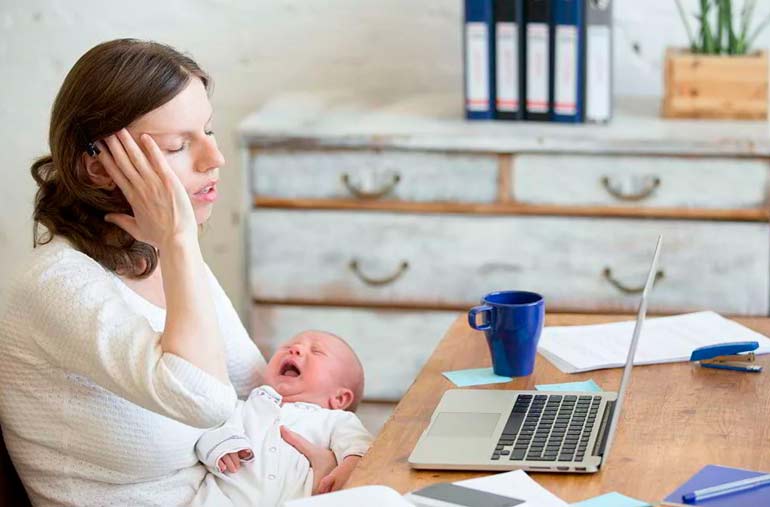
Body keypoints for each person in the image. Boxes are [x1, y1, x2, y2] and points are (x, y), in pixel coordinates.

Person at [0, 39, 340, 507]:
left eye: (208, 131)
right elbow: (206, 402)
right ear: (99, 169)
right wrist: (179, 242)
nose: (213, 159)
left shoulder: (156, 255)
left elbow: (260, 395)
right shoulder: (56, 285)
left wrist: (334, 457)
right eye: (178, 145)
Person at [195, 330, 372, 507]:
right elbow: (207, 432)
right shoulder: (245, 407)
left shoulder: (336, 420)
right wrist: (219, 448)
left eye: (317, 351)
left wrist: (351, 465)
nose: (295, 349)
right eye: (287, 346)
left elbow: (360, 445)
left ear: (339, 398)